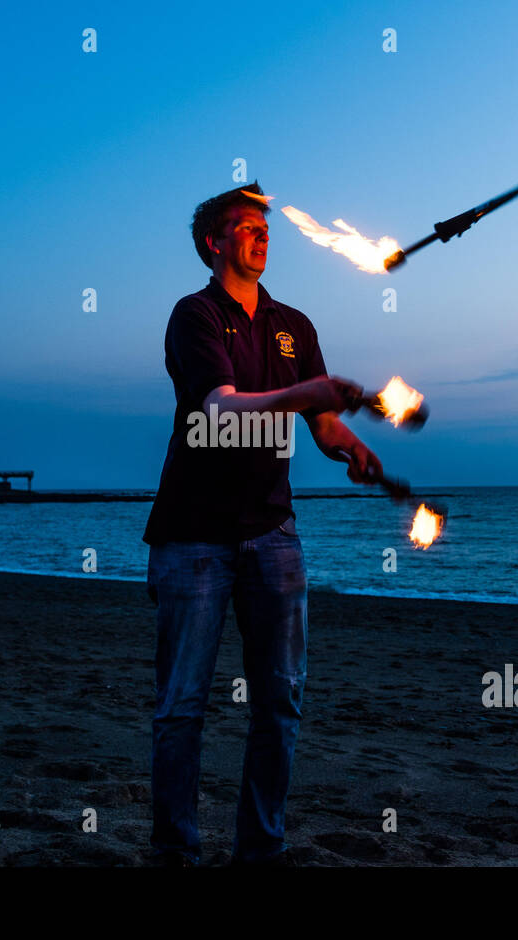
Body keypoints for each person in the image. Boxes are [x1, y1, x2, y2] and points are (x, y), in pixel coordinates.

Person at [143, 181, 383, 866]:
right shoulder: (193, 316)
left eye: (264, 226)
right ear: (214, 242)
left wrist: (351, 446)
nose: (262, 234)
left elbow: (322, 425)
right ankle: (175, 851)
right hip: (193, 536)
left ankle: (261, 849)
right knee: (182, 707)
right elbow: (219, 410)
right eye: (246, 226)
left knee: (280, 702)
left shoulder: (294, 326)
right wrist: (301, 394)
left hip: (273, 536)